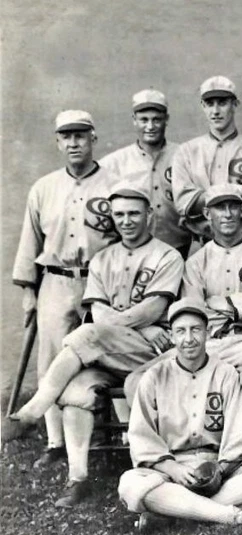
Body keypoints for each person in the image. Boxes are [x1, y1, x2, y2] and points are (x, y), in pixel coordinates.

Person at [13, 181, 184, 506]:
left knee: (87, 334)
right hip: (108, 349)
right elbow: (98, 310)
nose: (127, 221)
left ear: (149, 215)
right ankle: (78, 478)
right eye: (119, 215)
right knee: (76, 390)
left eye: (134, 214)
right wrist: (136, 326)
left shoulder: (167, 255)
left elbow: (153, 308)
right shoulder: (103, 258)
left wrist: (143, 327)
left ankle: (35, 408)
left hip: (150, 354)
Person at [125, 184, 242, 456]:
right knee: (139, 378)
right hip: (210, 341)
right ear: (208, 214)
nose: (227, 214)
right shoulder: (196, 262)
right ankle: (160, 453)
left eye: (233, 206)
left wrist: (220, 303)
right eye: (220, 208)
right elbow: (195, 312)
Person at [118, 299, 242, 533]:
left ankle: (173, 515)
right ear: (172, 336)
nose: (189, 338)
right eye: (181, 331)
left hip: (217, 469)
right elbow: (142, 438)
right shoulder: (154, 376)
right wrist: (173, 469)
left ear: (207, 333)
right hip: (170, 469)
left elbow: (237, 436)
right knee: (129, 483)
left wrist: (219, 470)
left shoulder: (225, 373)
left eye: (195, 330)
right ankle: (233, 516)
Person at [12, 110, 119, 467]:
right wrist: (29, 292)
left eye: (81, 135)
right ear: (58, 142)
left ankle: (111, 432)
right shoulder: (44, 188)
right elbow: (30, 243)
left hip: (100, 280)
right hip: (55, 280)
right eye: (67, 137)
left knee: (105, 352)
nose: (74, 143)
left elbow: (128, 238)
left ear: (93, 138)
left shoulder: (114, 184)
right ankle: (56, 442)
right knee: (52, 359)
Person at [172, 76, 242, 239]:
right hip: (202, 242)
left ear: (235, 104)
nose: (216, 111)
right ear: (203, 106)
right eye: (210, 104)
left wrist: (204, 196)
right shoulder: (186, 151)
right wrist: (237, 194)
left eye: (222, 103)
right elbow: (183, 202)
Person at [100, 90, 192, 258]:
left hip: (178, 248)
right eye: (144, 120)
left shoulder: (186, 156)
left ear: (166, 119)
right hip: (129, 252)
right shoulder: (113, 163)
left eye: (156, 119)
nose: (150, 126)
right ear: (134, 120)